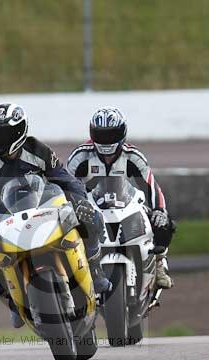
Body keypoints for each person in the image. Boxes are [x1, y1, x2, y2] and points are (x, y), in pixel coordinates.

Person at [0, 102, 110, 328]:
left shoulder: (37, 150)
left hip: (43, 210)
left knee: (91, 216)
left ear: (19, 132)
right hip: (2, 221)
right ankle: (12, 301)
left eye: (3, 134)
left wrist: (80, 202)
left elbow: (67, 180)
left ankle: (95, 269)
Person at [66, 107, 175, 289]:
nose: (106, 141)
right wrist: (74, 206)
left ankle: (158, 264)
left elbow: (152, 187)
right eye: (101, 135)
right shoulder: (80, 156)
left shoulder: (133, 156)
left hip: (126, 203)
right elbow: (67, 185)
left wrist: (159, 210)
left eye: (112, 135)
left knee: (164, 224)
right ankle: (73, 270)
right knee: (66, 227)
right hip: (91, 207)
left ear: (122, 133)